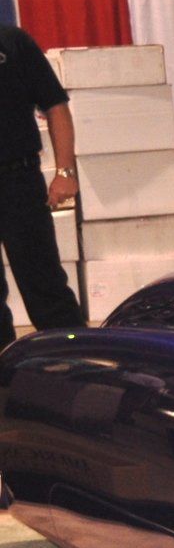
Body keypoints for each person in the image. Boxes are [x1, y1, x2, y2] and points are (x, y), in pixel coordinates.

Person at [0, 24, 83, 346]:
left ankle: (80, 365)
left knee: (45, 287)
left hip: (17, 179)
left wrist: (65, 172)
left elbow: (55, 105)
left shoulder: (12, 42)